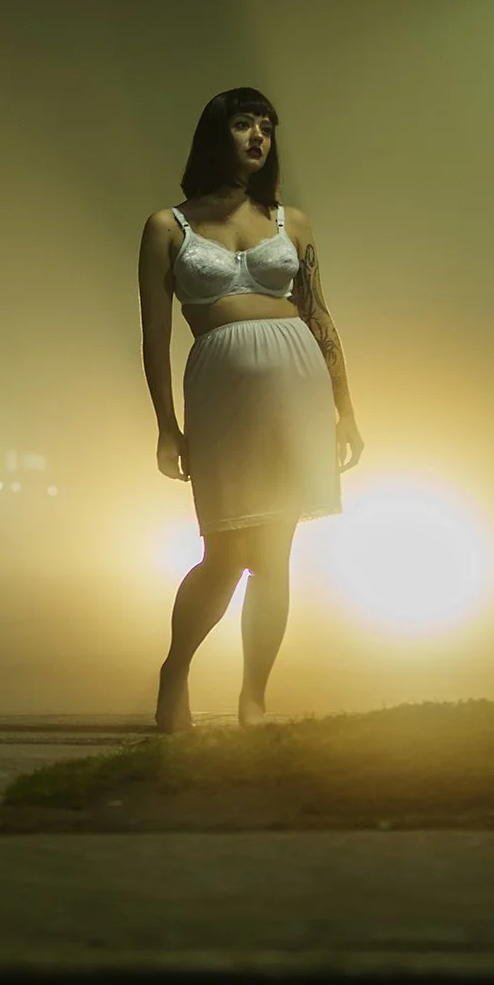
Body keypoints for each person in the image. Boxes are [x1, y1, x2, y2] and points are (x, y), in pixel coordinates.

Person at [138, 86, 363, 731]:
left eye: (266, 125)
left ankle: (254, 699)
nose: (257, 136)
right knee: (225, 553)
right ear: (217, 134)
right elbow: (154, 336)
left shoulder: (293, 222)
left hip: (297, 385)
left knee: (275, 553)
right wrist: (165, 426)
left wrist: (345, 410)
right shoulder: (166, 226)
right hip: (220, 393)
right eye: (243, 124)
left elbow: (319, 314)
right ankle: (175, 669)